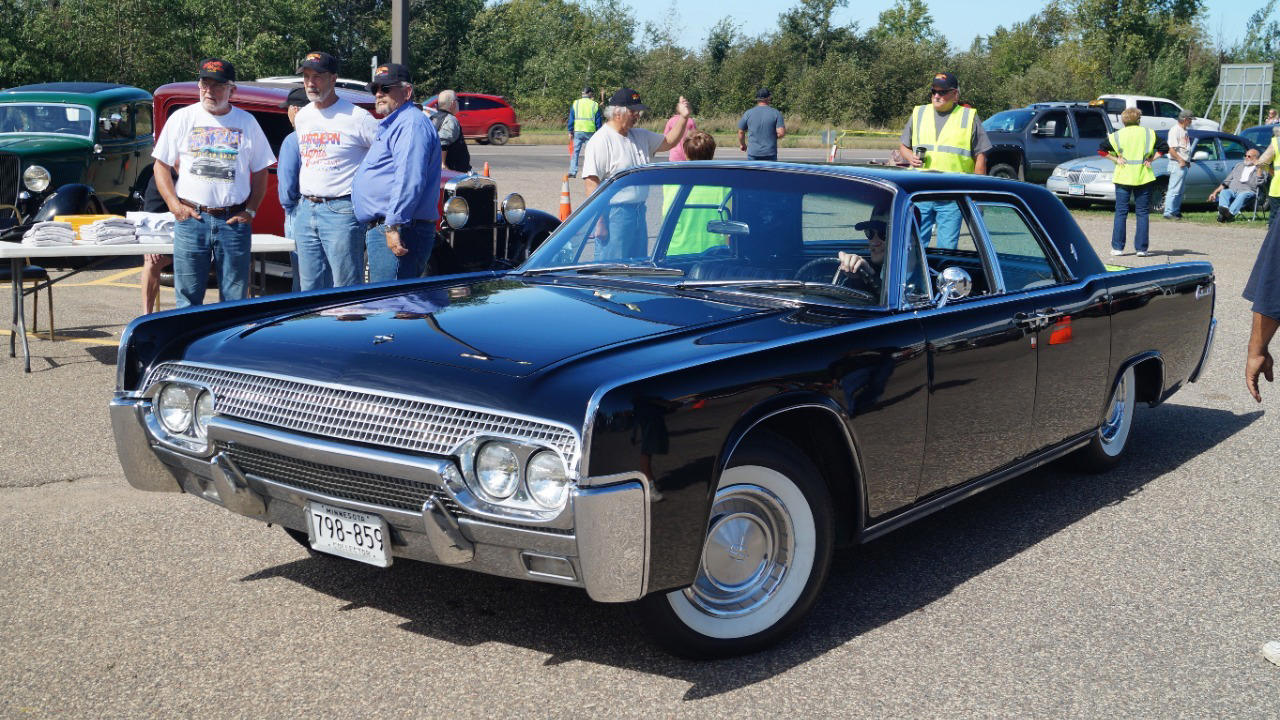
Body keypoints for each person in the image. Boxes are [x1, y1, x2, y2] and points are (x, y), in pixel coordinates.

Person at [152, 58, 274, 308]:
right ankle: (188, 335)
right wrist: (174, 206)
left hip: (233, 223)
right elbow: (160, 165)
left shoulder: (247, 122)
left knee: (234, 298)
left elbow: (261, 170)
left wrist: (251, 210)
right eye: (205, 84)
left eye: (217, 85)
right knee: (187, 297)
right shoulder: (182, 118)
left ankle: (228, 336)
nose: (209, 91)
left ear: (232, 90)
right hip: (191, 220)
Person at [293, 51, 379, 290]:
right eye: (306, 76)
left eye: (318, 76)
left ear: (333, 79)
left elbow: (386, 156)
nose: (310, 83)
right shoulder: (303, 117)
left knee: (345, 286)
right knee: (309, 287)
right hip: (306, 208)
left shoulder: (358, 118)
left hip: (341, 210)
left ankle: (349, 317)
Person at [353, 63, 441, 282]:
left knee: (390, 299)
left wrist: (392, 225)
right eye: (375, 89)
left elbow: (409, 179)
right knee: (390, 299)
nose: (378, 94)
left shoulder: (411, 124)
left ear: (407, 92)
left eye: (385, 88)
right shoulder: (396, 123)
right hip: (394, 226)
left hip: (401, 228)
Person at [580, 87, 691, 259]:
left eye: (638, 111)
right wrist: (599, 221)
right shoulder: (601, 140)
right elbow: (591, 183)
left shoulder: (640, 136)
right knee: (613, 268)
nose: (637, 116)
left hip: (639, 211)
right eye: (633, 111)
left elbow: (669, 141)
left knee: (637, 267)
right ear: (617, 112)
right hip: (614, 215)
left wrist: (684, 117)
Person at [898, 71, 991, 249]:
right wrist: (910, 156)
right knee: (913, 247)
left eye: (942, 92)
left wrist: (978, 196)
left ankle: (944, 269)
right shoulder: (919, 113)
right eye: (934, 91)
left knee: (946, 250)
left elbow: (981, 157)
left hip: (952, 196)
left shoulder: (968, 117)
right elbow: (903, 146)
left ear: (955, 94)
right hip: (920, 193)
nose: (937, 96)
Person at [1102, 107, 1166, 257]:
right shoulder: (1149, 133)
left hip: (1123, 177)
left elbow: (1101, 150)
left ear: (1124, 120)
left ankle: (1117, 248)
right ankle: (1141, 249)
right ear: (1138, 120)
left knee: (1121, 212)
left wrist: (1116, 159)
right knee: (1142, 213)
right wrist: (1151, 159)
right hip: (1143, 176)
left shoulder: (1116, 135)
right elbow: (1164, 147)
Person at [663, 130, 727, 256]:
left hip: (675, 255)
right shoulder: (725, 186)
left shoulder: (670, 184)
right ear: (712, 153)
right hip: (715, 255)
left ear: (685, 152)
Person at [836, 212, 888, 298]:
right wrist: (855, 277)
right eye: (869, 233)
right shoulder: (871, 267)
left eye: (884, 233)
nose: (874, 242)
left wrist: (871, 275)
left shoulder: (911, 280)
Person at [1209, 147, 1264, 222]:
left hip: (1248, 191)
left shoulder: (1261, 169)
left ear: (1256, 158)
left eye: (1249, 156)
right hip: (1233, 190)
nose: (1246, 157)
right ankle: (1224, 211)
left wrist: (1259, 167)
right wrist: (1215, 192)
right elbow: (1227, 181)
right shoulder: (1239, 165)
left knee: (1243, 195)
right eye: (1245, 155)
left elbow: (1260, 183)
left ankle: (1229, 214)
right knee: (1224, 192)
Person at [737, 88, 784, 161]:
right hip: (770, 153)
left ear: (757, 99)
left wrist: (742, 144)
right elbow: (781, 133)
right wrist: (771, 137)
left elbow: (741, 131)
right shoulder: (776, 113)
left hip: (753, 153)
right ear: (768, 98)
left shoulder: (748, 113)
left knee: (753, 169)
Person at [428, 90, 470, 173]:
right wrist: (442, 164)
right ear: (453, 103)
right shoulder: (450, 120)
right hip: (452, 171)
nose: (458, 103)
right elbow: (442, 142)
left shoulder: (432, 118)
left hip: (434, 168)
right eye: (457, 100)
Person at [1163, 110, 1193, 220]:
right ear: (1185, 119)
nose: (1191, 122)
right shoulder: (1175, 130)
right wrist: (1180, 160)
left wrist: (1187, 161)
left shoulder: (1184, 131)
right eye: (1190, 119)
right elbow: (1171, 149)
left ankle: (1175, 211)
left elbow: (1184, 148)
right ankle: (1168, 212)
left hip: (1182, 164)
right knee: (1174, 189)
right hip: (1176, 163)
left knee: (1180, 189)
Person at [567, 87, 601, 178]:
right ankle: (588, 172)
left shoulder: (576, 103)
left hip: (578, 130)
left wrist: (570, 131)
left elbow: (571, 118)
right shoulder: (594, 105)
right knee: (590, 153)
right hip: (590, 132)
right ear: (589, 93)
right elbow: (598, 121)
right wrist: (599, 132)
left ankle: (573, 171)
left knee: (575, 152)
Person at [1253, 125, 1280, 230]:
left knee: (1275, 217)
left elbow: (1261, 162)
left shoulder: (1277, 142)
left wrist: (1270, 170)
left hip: (1278, 187)